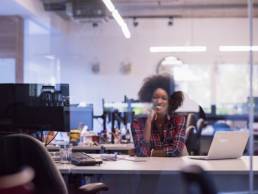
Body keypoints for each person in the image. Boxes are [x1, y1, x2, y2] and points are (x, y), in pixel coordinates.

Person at [131, 74, 186, 157]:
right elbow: (142, 153)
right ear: (149, 99)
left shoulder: (179, 120)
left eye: (164, 98)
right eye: (155, 97)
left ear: (170, 102)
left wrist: (152, 152)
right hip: (149, 168)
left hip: (173, 167)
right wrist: (148, 123)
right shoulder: (137, 123)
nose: (159, 102)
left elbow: (176, 150)